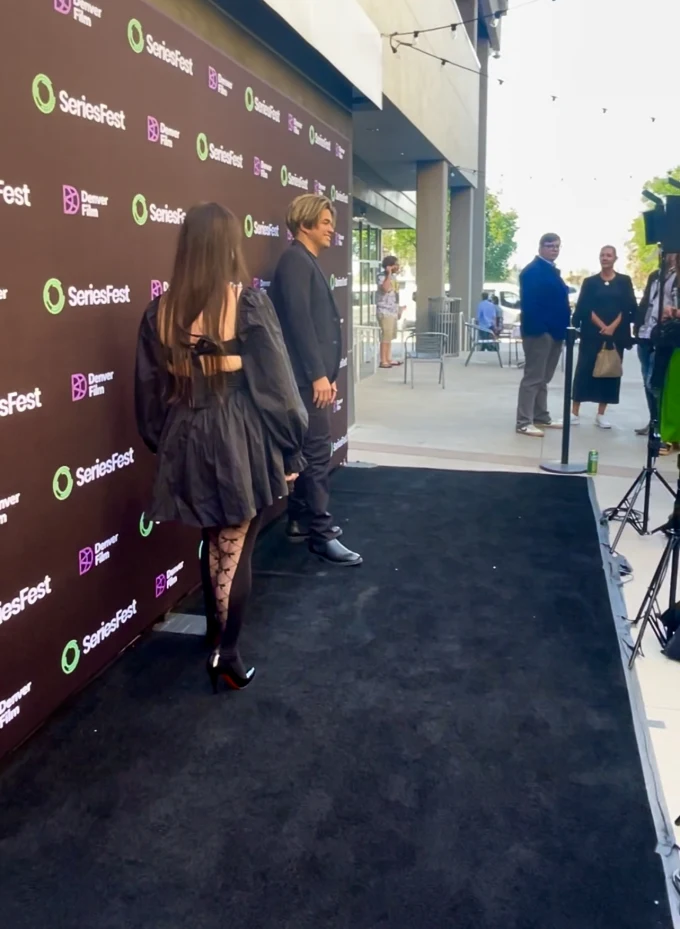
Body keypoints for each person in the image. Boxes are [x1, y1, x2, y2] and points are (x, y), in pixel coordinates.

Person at [135, 202, 308, 693]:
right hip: (236, 435)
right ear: (227, 245)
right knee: (235, 545)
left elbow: (148, 395)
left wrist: (165, 444)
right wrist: (292, 449)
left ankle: (215, 638)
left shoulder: (159, 311)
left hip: (184, 433)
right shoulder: (247, 302)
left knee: (215, 539)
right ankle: (227, 656)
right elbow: (277, 386)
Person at [270, 193, 362, 566]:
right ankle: (321, 535)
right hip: (306, 381)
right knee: (318, 455)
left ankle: (298, 522)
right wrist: (319, 375)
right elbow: (299, 325)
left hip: (312, 379)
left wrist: (326, 373)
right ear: (305, 223)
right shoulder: (295, 261)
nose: (331, 230)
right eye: (325, 223)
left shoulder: (303, 260)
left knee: (309, 454)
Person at [571, 246, 636, 428]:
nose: (605, 258)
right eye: (602, 255)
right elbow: (584, 306)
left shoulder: (624, 281)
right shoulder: (590, 282)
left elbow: (628, 306)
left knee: (610, 372)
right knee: (584, 370)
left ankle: (601, 414)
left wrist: (612, 327)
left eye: (608, 255)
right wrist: (602, 326)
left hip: (615, 336)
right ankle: (575, 412)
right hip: (593, 334)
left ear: (615, 258)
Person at [516, 233, 571, 437]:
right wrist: (543, 331)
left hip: (555, 332)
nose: (554, 249)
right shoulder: (532, 272)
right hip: (540, 333)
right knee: (533, 377)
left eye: (557, 246)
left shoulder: (551, 270)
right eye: (550, 246)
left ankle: (541, 415)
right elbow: (531, 304)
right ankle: (523, 421)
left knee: (544, 378)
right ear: (540, 247)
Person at [633, 253, 678, 438]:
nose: (667, 255)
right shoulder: (655, 275)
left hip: (664, 334)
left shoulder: (677, 277)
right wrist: (637, 326)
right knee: (647, 380)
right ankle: (654, 420)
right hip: (646, 332)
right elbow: (646, 301)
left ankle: (662, 425)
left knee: (657, 382)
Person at [376, 255, 403, 368]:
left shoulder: (395, 279)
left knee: (390, 336)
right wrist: (388, 274)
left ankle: (388, 358)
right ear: (389, 266)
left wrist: (399, 309)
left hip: (392, 311)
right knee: (385, 335)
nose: (398, 267)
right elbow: (386, 289)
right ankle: (383, 360)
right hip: (384, 311)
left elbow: (395, 294)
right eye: (396, 265)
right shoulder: (382, 277)